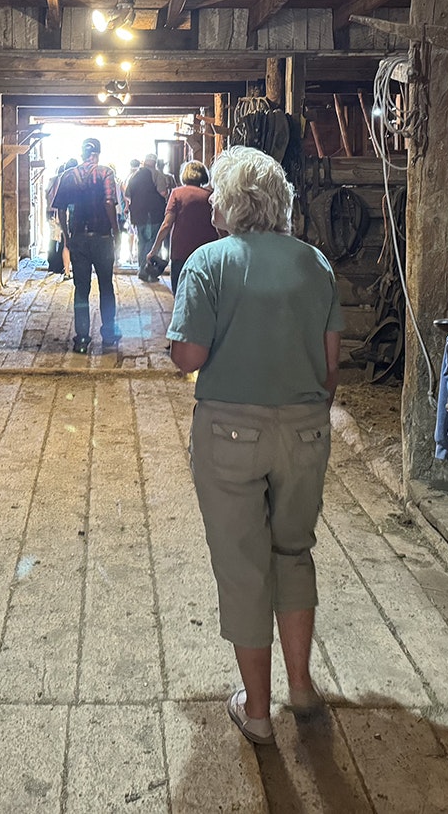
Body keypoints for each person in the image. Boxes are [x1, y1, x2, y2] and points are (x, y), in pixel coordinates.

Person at [165, 146, 343, 747]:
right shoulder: (315, 263)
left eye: (216, 191)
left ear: (233, 202)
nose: (210, 200)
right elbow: (330, 367)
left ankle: (258, 714)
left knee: (243, 568)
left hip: (229, 431)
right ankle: (300, 686)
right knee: (293, 552)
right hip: (306, 428)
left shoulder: (208, 264)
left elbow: (188, 355)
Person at [48, 137, 123, 354]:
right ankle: (108, 334)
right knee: (106, 286)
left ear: (82, 154)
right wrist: (115, 231)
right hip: (101, 238)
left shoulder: (68, 176)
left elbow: (60, 209)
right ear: (97, 153)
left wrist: (67, 234)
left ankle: (82, 339)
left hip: (78, 238)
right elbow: (109, 202)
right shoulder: (105, 173)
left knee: (81, 289)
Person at [149, 160, 221, 296]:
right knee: (205, 295)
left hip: (181, 250)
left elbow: (166, 224)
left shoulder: (177, 193)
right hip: (206, 252)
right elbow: (219, 225)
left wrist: (154, 249)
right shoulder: (210, 196)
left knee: (180, 293)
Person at [125, 153, 173, 281]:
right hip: (152, 214)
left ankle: (142, 268)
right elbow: (163, 192)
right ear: (155, 162)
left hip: (138, 215)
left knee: (141, 242)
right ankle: (147, 270)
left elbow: (127, 194)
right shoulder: (156, 174)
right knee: (151, 242)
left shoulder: (134, 176)